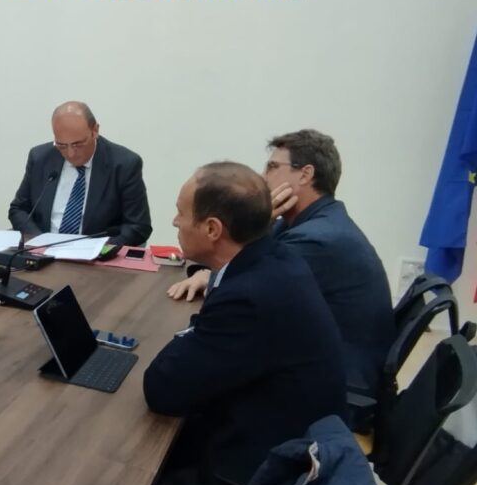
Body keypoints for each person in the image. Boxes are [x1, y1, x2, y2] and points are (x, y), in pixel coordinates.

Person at [134, 162, 346, 485]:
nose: (174, 221)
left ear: (212, 229)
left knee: (121, 467)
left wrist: (190, 334)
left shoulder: (249, 296)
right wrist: (198, 331)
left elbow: (161, 388)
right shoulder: (272, 258)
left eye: (181, 213)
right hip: (301, 438)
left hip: (257, 472)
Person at [167, 130, 394, 396]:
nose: (262, 177)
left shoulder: (317, 240)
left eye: (273, 167)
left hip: (337, 386)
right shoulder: (304, 222)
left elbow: (244, 284)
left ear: (305, 174)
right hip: (318, 363)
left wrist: (257, 222)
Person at [8, 101, 151, 245]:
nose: (70, 153)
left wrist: (100, 249)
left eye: (78, 144)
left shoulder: (124, 164)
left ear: (95, 130)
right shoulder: (40, 158)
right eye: (61, 145)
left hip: (95, 253)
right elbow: (18, 210)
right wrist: (40, 241)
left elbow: (138, 227)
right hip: (43, 251)